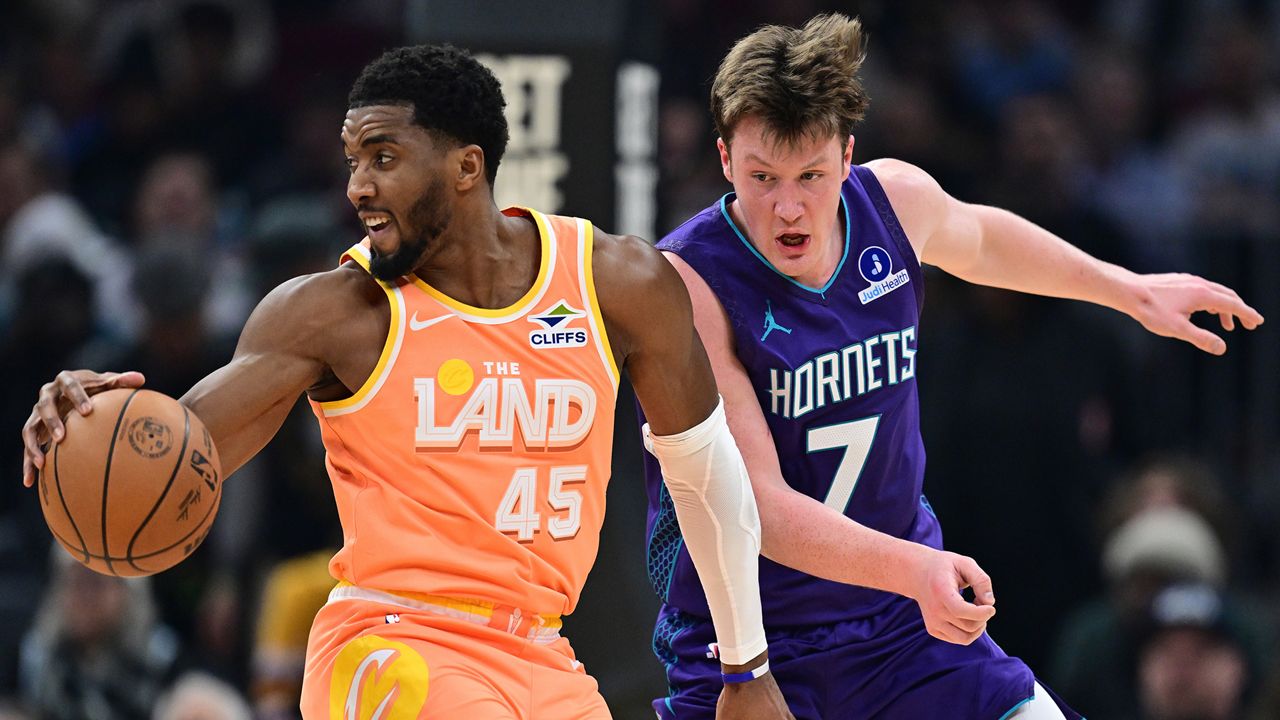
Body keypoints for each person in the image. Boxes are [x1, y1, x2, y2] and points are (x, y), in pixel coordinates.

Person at [22, 44, 792, 719]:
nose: (357, 185)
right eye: (352, 159)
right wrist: (92, 423)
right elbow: (188, 447)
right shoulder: (334, 313)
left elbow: (704, 470)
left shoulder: (615, 283)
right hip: (390, 641)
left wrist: (747, 666)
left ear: (467, 166)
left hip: (540, 654)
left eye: (383, 157)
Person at [641, 13, 1264, 720]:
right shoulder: (689, 280)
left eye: (811, 175)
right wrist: (918, 568)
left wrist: (1131, 290)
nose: (788, 206)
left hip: (900, 628)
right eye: (763, 177)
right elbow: (758, 506)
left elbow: (981, 239)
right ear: (725, 160)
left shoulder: (893, 202)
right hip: (753, 647)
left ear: (847, 156)